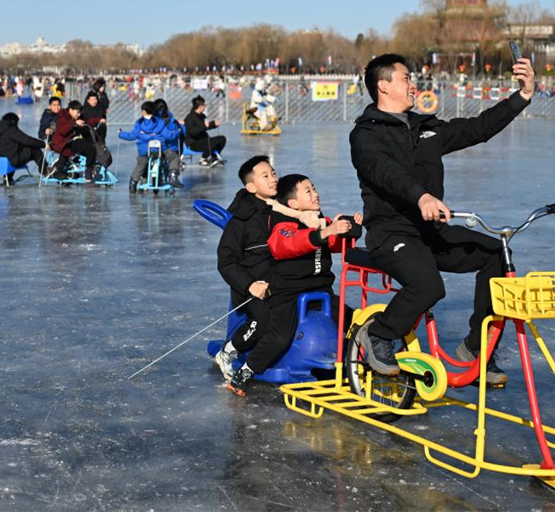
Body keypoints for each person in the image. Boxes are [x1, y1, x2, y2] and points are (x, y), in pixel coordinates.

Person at [348, 53, 535, 385]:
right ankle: (378, 333)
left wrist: (522, 96)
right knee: (429, 285)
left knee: (495, 253)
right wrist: (420, 195)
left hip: (430, 233)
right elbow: (385, 173)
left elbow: (477, 129)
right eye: (406, 78)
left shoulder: (426, 128)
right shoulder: (366, 135)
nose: (413, 84)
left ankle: (476, 348)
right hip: (392, 235)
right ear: (384, 85)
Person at [225, 173, 359, 396]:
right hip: (289, 292)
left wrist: (346, 230)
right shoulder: (283, 222)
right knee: (279, 336)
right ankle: (247, 371)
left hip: (321, 290)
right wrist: (324, 232)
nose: (315, 193)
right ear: (293, 203)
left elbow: (333, 244)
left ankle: (355, 364)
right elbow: (286, 244)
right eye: (308, 191)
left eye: (314, 188)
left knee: (351, 321)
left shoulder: (319, 220)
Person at [215, 156, 279, 381]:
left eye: (273, 173)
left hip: (282, 282)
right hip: (253, 286)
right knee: (264, 322)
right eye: (265, 176)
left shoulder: (283, 210)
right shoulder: (240, 221)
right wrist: (250, 285)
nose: (273, 179)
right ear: (251, 186)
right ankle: (229, 350)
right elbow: (226, 261)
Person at [117, 101, 166, 193]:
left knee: (141, 164)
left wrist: (120, 134)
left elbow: (132, 135)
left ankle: (133, 182)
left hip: (144, 149)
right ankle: (157, 181)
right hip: (158, 149)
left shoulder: (139, 122)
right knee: (160, 162)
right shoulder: (160, 121)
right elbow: (163, 135)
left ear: (143, 111)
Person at [0, 112, 47, 181]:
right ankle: (45, 170)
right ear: (13, 121)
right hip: (13, 160)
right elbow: (27, 140)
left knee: (11, 152)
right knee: (35, 150)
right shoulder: (11, 129)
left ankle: (7, 178)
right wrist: (44, 144)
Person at [50, 100, 97, 181]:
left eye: (79, 113)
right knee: (90, 148)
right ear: (71, 110)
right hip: (63, 142)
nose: (78, 115)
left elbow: (87, 121)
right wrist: (74, 122)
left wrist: (99, 120)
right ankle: (88, 172)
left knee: (90, 144)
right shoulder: (63, 116)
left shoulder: (75, 117)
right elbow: (62, 131)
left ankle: (85, 165)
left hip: (70, 140)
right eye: (77, 112)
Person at [184, 95, 226, 166]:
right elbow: (192, 133)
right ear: (200, 106)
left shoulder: (200, 116)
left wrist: (214, 124)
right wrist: (204, 126)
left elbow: (206, 126)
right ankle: (203, 158)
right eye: (204, 105)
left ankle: (213, 157)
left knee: (222, 139)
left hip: (203, 140)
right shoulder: (190, 117)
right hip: (194, 143)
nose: (205, 107)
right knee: (214, 141)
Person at [153, 99, 184, 188]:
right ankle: (173, 177)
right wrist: (178, 131)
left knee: (143, 161)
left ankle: (140, 180)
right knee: (175, 157)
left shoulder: (149, 119)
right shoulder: (168, 120)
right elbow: (170, 135)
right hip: (165, 148)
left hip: (149, 149)